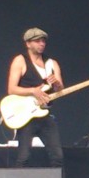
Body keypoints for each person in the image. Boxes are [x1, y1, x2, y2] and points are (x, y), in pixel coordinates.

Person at [6, 27, 64, 169]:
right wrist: (33, 91)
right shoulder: (20, 61)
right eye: (37, 41)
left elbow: (60, 89)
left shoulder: (52, 63)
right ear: (28, 44)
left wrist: (56, 83)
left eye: (43, 41)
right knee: (23, 157)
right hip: (26, 116)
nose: (42, 44)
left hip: (45, 114)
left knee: (57, 156)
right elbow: (11, 89)